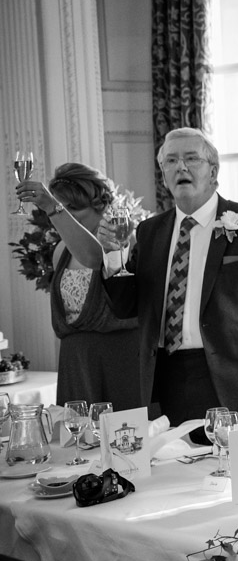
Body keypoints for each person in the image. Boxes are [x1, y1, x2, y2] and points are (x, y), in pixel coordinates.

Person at [95, 128, 238, 427]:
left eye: (191, 158)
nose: (180, 167)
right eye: (171, 161)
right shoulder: (149, 232)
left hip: (237, 378)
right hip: (165, 379)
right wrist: (113, 254)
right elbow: (125, 307)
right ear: (163, 175)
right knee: (177, 471)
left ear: (213, 170)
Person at [15, 164, 140, 409]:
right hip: (75, 361)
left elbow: (94, 257)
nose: (66, 215)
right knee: (78, 440)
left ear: (100, 204)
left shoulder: (125, 240)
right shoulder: (60, 251)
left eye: (73, 208)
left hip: (119, 358)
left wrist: (53, 207)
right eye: (62, 207)